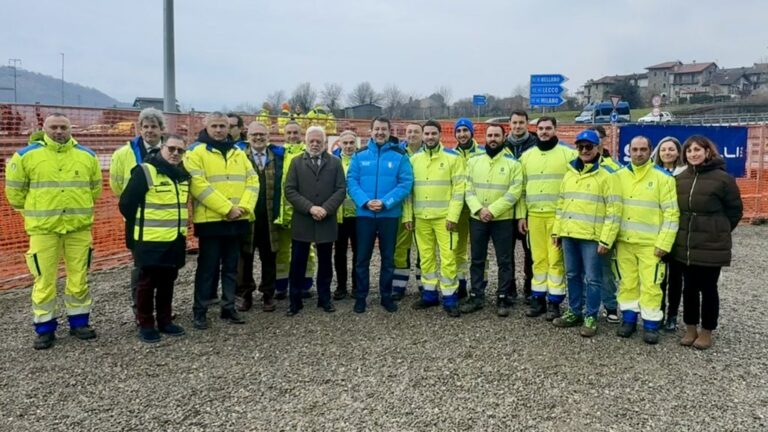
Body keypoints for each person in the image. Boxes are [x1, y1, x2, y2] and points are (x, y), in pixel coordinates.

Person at [5, 113, 102, 349]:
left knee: (79, 277)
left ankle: (79, 322)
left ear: (71, 129)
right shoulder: (26, 156)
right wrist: (36, 213)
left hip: (78, 229)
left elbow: (95, 189)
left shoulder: (86, 156)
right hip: (44, 231)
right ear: (44, 128)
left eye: (63, 127)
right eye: (54, 127)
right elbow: (15, 194)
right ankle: (45, 328)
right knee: (44, 279)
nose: (58, 131)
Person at [185, 112, 259, 330]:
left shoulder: (238, 152)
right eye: (215, 126)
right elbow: (198, 185)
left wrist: (244, 207)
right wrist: (227, 209)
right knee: (207, 268)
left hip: (237, 220)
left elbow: (252, 180)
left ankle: (228, 307)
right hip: (211, 222)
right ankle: (200, 310)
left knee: (231, 267)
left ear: (229, 128)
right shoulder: (195, 152)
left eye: (222, 126)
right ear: (206, 126)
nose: (219, 130)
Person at [672, 135, 742, 350]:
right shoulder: (681, 178)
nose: (693, 154)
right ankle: (691, 327)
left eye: (697, 150)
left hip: (711, 245)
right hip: (686, 244)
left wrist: (718, 230)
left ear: (707, 152)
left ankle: (707, 330)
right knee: (689, 289)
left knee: (709, 288)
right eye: (689, 150)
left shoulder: (723, 179)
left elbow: (735, 211)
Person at [118, 135, 190, 343]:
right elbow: (127, 204)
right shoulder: (145, 171)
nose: (176, 153)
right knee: (147, 284)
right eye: (172, 149)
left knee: (168, 282)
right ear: (162, 148)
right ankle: (146, 323)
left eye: (180, 150)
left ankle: (165, 320)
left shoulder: (182, 174)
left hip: (174, 239)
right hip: (150, 240)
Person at [551, 130, 622, 337]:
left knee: (593, 278)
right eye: (580, 147)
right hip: (569, 235)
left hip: (592, 238)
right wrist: (557, 231)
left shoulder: (608, 176)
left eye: (589, 147)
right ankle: (574, 311)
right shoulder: (569, 174)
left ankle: (591, 315)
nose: (584, 150)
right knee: (572, 275)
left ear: (598, 148)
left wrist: (606, 239)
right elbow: (561, 204)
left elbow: (614, 211)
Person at [615, 136, 679, 344]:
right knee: (627, 283)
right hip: (624, 242)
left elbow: (671, 214)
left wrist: (664, 243)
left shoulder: (663, 178)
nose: (639, 153)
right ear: (629, 151)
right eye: (635, 149)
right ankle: (629, 320)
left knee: (652, 285)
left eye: (643, 149)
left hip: (651, 244)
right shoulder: (619, 176)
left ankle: (651, 324)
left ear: (650, 150)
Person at [347, 117, 414, 313]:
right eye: (376, 129)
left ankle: (386, 296)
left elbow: (405, 183)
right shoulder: (359, 156)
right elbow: (352, 181)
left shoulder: (400, 156)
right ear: (370, 131)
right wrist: (365, 202)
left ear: (389, 131)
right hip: (365, 215)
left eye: (383, 129)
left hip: (389, 215)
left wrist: (386, 202)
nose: (380, 133)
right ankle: (361, 297)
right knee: (362, 258)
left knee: (388, 258)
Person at [108, 107, 167, 320]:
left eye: (154, 127)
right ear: (139, 128)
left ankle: (162, 310)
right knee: (140, 266)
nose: (149, 131)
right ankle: (140, 309)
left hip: (163, 220)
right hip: (137, 220)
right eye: (145, 127)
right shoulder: (124, 154)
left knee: (163, 266)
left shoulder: (171, 151)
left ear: (162, 129)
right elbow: (116, 184)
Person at [517, 117, 577, 321]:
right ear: (536, 130)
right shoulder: (526, 157)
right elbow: (522, 190)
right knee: (538, 259)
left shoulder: (569, 154)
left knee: (555, 261)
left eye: (548, 128)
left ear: (555, 129)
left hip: (556, 217)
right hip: (534, 216)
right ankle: (538, 299)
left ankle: (555, 302)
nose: (544, 132)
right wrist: (521, 216)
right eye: (540, 129)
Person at [405, 120, 466, 317]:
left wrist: (453, 216)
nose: (430, 137)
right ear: (422, 136)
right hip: (421, 218)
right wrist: (408, 216)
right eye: (427, 134)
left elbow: (459, 190)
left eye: (433, 134)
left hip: (444, 220)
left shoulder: (453, 158)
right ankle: (429, 295)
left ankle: (450, 298)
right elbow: (408, 192)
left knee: (448, 258)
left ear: (440, 135)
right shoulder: (414, 160)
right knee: (426, 257)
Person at [461, 124, 523, 317]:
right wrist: (479, 209)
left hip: (502, 219)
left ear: (504, 137)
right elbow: (467, 188)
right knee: (477, 259)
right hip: (478, 218)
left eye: (497, 135)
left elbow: (515, 192)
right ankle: (477, 295)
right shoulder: (473, 161)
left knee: (504, 260)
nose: (493, 138)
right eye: (490, 135)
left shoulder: (513, 164)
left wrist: (493, 210)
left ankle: (503, 296)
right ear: (484, 138)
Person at [284, 126, 346, 315]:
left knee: (326, 263)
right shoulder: (296, 163)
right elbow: (290, 190)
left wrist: (325, 209)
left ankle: (324, 299)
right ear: (305, 141)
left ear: (325, 143)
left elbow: (341, 190)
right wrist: (310, 208)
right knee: (297, 262)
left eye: (318, 141)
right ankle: (295, 301)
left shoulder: (335, 163)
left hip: (326, 221)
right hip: (303, 220)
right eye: (311, 140)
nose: (315, 144)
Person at [234, 122, 284, 312]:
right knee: (244, 257)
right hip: (246, 216)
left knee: (269, 256)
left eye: (262, 134)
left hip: (270, 215)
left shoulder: (276, 157)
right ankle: (245, 294)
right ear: (248, 136)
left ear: (268, 136)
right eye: (254, 134)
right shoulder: (240, 157)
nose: (258, 138)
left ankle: (268, 293)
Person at [276, 120, 316, 299]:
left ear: (301, 135)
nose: (292, 136)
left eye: (295, 133)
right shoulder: (278, 153)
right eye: (289, 133)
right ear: (283, 134)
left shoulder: (308, 153)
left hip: (304, 211)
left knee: (308, 250)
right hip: (283, 212)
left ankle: (304, 284)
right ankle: (281, 285)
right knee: (282, 250)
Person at [652, 136, 686, 331]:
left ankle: (672, 314)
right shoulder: (654, 173)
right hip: (658, 232)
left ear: (678, 151)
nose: (667, 153)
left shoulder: (685, 173)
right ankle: (658, 312)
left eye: (671, 149)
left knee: (675, 278)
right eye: (664, 149)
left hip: (678, 233)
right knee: (659, 278)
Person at [504, 110, 537, 303]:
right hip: (507, 207)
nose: (517, 126)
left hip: (529, 207)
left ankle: (530, 288)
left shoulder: (535, 145)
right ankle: (509, 288)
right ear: (509, 124)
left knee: (530, 251)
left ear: (527, 124)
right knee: (506, 252)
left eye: (521, 123)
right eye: (514, 123)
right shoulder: (502, 144)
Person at [590, 125, 621, 324]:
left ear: (603, 140)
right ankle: (588, 306)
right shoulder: (576, 165)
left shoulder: (614, 168)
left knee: (606, 271)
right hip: (581, 230)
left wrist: (610, 234)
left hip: (604, 230)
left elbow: (616, 205)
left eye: (597, 138)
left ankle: (610, 306)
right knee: (585, 272)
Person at [452, 118, 485, 299]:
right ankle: (461, 283)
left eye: (465, 130)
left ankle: (481, 285)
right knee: (458, 249)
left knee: (480, 251)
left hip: (478, 209)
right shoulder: (451, 155)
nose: (462, 134)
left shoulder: (482, 153)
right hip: (459, 210)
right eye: (459, 131)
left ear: (472, 132)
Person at [392, 122, 424, 300]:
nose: (412, 135)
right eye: (409, 132)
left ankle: (423, 284)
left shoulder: (428, 153)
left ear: (422, 134)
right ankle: (398, 286)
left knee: (423, 249)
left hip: (422, 208)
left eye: (416, 132)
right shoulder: (397, 153)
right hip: (402, 208)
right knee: (400, 247)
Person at [332, 131, 359, 300]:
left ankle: (357, 286)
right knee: (340, 253)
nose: (348, 146)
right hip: (339, 216)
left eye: (351, 143)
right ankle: (341, 286)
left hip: (358, 215)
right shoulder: (333, 161)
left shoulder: (362, 160)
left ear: (356, 144)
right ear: (340, 144)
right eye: (345, 143)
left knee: (359, 253)